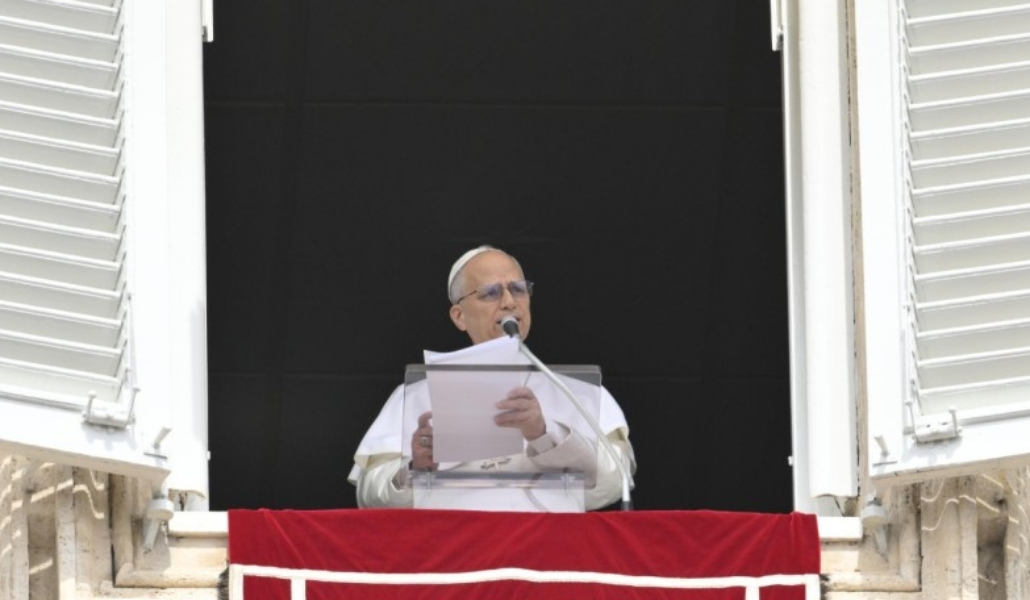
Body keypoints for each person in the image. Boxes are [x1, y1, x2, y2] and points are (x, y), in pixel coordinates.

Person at [347, 245, 635, 510]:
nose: (509, 302)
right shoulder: (414, 396)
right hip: (452, 544)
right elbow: (370, 497)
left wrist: (544, 435)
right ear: (459, 316)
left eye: (518, 289)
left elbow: (614, 485)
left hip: (546, 545)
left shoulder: (580, 393)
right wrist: (417, 469)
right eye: (490, 293)